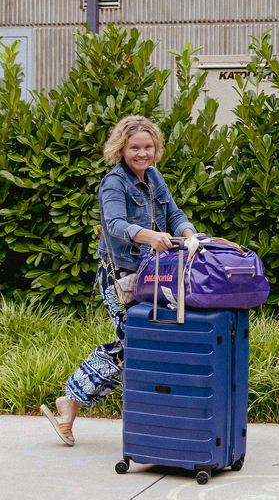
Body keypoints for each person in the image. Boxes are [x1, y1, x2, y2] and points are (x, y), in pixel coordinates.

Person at [40, 115, 195, 446]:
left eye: (148, 147)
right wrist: (149, 236)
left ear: (156, 148)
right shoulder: (114, 182)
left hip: (152, 274)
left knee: (145, 344)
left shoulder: (154, 177)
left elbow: (175, 214)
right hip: (121, 275)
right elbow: (114, 224)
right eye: (134, 147)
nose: (142, 154)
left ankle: (73, 400)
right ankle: (72, 399)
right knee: (137, 343)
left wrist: (190, 234)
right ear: (121, 148)